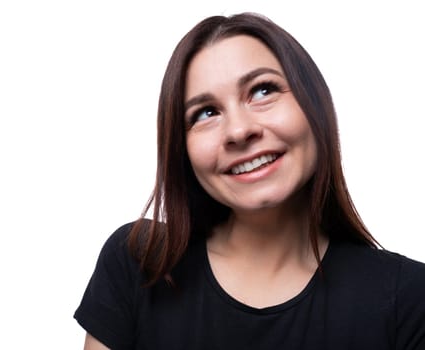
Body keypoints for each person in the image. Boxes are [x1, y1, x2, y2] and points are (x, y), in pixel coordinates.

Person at [74, 12, 425, 349]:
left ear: (315, 104)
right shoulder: (138, 263)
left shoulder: (409, 299)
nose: (239, 131)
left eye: (262, 91)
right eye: (206, 113)